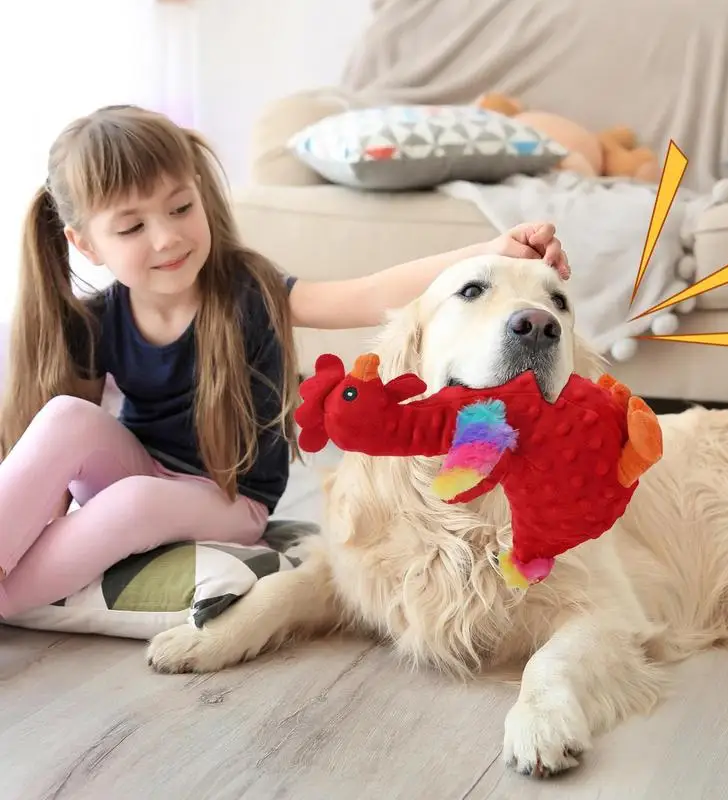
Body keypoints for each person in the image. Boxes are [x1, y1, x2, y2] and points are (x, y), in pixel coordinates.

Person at [0, 104, 570, 619]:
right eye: (132, 227)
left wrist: (490, 252)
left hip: (229, 499)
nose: (168, 237)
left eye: (180, 207)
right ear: (86, 244)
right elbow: (53, 469)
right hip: (140, 473)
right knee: (63, 418)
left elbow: (369, 292)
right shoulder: (96, 318)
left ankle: (10, 599)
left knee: (133, 500)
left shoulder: (248, 291)